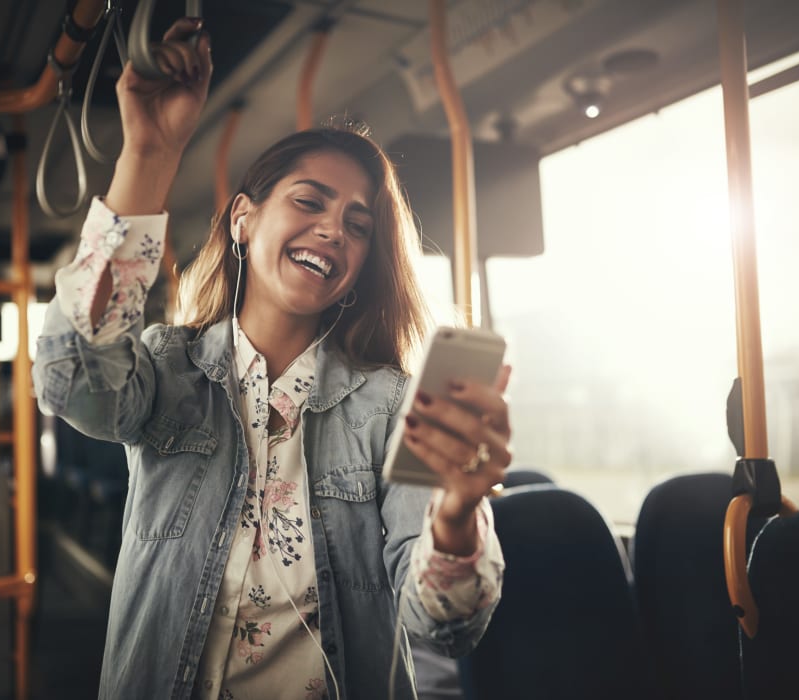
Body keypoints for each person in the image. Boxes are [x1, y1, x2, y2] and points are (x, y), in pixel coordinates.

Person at [33, 17, 512, 700]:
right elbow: (71, 380)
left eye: (356, 224)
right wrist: (149, 152)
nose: (332, 229)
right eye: (309, 202)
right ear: (242, 220)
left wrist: (457, 517)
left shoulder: (390, 407)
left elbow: (441, 626)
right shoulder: (169, 372)